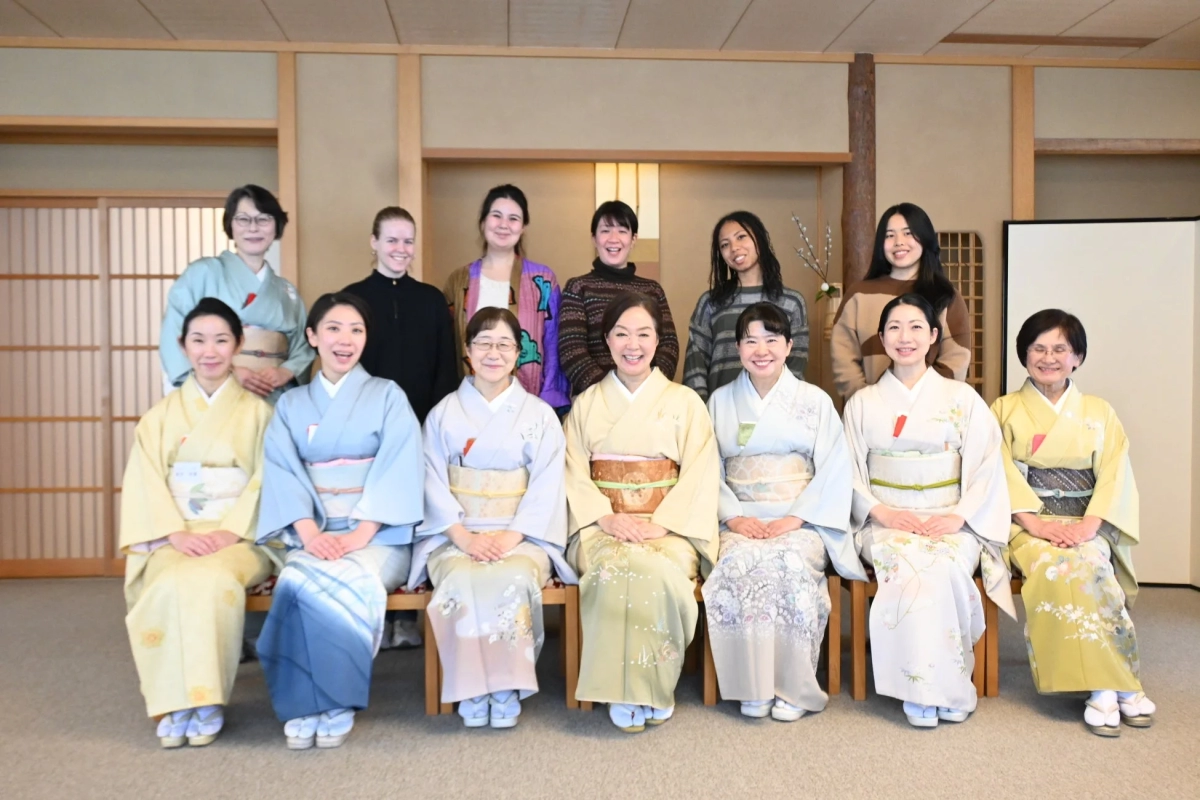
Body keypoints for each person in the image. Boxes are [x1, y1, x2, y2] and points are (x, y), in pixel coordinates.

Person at [254, 293, 423, 750]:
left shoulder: (387, 395)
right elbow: (282, 472)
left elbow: (400, 466)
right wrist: (310, 534)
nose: (344, 340)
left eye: (355, 330)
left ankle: (335, 699)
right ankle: (302, 701)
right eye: (333, 329)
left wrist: (358, 535)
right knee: (299, 581)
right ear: (311, 337)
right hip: (312, 533)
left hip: (378, 536)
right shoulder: (291, 407)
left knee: (349, 580)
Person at [842, 293, 1014, 728]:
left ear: (934, 336)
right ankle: (917, 688)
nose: (905, 337)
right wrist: (881, 512)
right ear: (881, 338)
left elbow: (987, 466)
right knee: (905, 567)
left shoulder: (963, 398)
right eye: (895, 328)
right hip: (885, 522)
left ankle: (948, 684)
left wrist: (958, 517)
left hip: (949, 518)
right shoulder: (862, 403)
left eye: (917, 327)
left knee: (944, 565)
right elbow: (846, 472)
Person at [121, 298, 276, 748]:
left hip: (238, 536)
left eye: (222, 340)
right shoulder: (160, 417)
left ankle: (206, 699)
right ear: (182, 346)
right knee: (166, 582)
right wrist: (174, 533)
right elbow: (145, 481)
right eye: (199, 340)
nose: (210, 351)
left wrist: (232, 531)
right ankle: (173, 700)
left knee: (210, 582)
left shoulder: (259, 414)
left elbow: (268, 480)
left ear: (238, 345)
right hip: (177, 532)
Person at [412, 307, 578, 729]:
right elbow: (430, 479)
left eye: (505, 344)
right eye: (483, 343)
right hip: (456, 534)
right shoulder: (443, 414)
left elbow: (546, 484)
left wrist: (512, 535)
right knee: (461, 578)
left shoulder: (539, 415)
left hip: (521, 535)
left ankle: (505, 684)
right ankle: (471, 685)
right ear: (467, 352)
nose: (494, 352)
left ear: (519, 352)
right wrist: (463, 537)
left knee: (511, 577)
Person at [991, 309, 1153, 737]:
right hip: (1025, 523)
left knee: (1094, 563)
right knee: (1058, 566)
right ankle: (1107, 686)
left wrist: (1090, 525)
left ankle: (1109, 683)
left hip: (1086, 521)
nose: (1049, 357)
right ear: (1024, 355)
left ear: (1077, 356)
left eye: (1060, 348)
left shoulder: (1100, 412)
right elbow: (997, 473)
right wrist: (1035, 524)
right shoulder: (1004, 409)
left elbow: (1115, 475)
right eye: (1038, 348)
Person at [563, 292, 718, 733]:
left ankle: (653, 683)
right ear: (607, 341)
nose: (633, 344)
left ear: (658, 340)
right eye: (622, 334)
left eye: (644, 334)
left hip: (667, 526)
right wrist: (605, 518)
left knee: (657, 570)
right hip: (601, 525)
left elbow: (702, 472)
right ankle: (623, 690)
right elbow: (573, 471)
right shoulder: (587, 403)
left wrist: (662, 523)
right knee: (613, 568)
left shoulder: (686, 402)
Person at [703, 302, 863, 722]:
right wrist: (734, 518)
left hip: (801, 519)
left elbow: (833, 468)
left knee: (790, 564)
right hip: (740, 519)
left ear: (789, 345)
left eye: (771, 340)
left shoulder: (814, 401)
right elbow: (707, 469)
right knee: (739, 564)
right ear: (737, 348)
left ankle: (794, 686)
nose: (761, 350)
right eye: (750, 340)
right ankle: (751, 686)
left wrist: (796, 519)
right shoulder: (720, 402)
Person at [160, 184, 311, 404]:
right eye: (243, 219)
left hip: (272, 395)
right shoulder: (202, 274)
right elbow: (176, 335)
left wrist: (286, 371)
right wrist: (228, 372)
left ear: (276, 226)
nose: (253, 228)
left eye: (264, 219)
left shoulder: (287, 292)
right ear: (230, 224)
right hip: (215, 391)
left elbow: (302, 346)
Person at [443, 184, 570, 411]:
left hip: (528, 404)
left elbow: (552, 342)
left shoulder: (542, 279)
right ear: (483, 222)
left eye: (513, 218)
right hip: (470, 404)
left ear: (523, 227)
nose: (504, 225)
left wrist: (548, 399)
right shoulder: (459, 280)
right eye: (496, 216)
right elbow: (448, 345)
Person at [831, 202, 971, 399]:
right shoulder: (859, 295)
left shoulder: (947, 295)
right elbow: (843, 358)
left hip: (930, 411)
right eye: (889, 235)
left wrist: (916, 400)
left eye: (907, 233)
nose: (898, 242)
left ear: (925, 238)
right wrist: (869, 400)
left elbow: (956, 359)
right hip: (869, 411)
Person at [342, 206, 458, 424]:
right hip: (363, 419)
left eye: (408, 241)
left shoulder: (432, 299)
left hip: (423, 421)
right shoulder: (351, 299)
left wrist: (438, 421)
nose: (401, 249)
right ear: (374, 242)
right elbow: (341, 364)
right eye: (392, 240)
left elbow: (445, 369)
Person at [684, 211, 809, 401]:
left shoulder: (792, 302)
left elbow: (796, 364)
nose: (734, 248)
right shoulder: (710, 303)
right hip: (721, 411)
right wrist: (701, 410)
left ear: (759, 238)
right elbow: (696, 363)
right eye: (725, 245)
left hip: (776, 412)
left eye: (741, 237)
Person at [559, 201, 680, 395]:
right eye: (605, 230)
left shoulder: (652, 290)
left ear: (633, 239)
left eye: (622, 231)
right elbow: (571, 349)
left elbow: (669, 347)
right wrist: (610, 393)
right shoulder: (578, 287)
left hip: (648, 398)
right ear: (594, 238)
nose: (613, 239)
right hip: (595, 400)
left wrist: (646, 389)